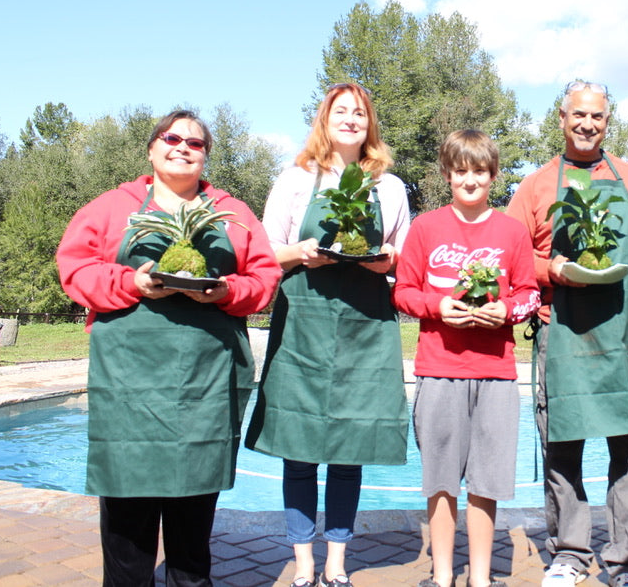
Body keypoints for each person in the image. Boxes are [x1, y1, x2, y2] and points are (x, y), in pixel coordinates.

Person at [56, 110, 281, 587]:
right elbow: (74, 270)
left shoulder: (234, 213)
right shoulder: (110, 208)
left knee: (192, 529)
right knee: (126, 529)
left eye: (195, 143)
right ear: (152, 149)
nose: (182, 147)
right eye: (172, 138)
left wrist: (225, 292)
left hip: (205, 384)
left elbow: (264, 279)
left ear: (206, 157)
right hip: (130, 387)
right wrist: (132, 280)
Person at [245, 83, 410, 587]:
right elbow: (265, 250)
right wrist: (303, 252)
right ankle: (304, 561)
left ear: (370, 125)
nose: (351, 120)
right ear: (325, 119)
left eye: (359, 113)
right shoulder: (296, 179)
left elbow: (401, 252)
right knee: (298, 446)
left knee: (348, 446)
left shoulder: (391, 186)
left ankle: (337, 560)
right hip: (304, 325)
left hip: (365, 325)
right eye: (341, 111)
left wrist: (386, 260)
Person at [506, 81, 628, 587]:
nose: (588, 124)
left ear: (607, 122)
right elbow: (511, 253)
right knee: (562, 447)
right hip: (562, 334)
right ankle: (569, 552)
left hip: (625, 338)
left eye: (598, 117)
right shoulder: (536, 186)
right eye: (579, 115)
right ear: (562, 117)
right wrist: (554, 270)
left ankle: (625, 560)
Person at [393, 129, 540, 587]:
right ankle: (441, 577)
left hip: (496, 373)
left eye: (479, 170)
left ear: (493, 174)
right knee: (439, 480)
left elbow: (529, 294)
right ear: (447, 174)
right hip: (439, 371)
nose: (470, 179)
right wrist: (437, 306)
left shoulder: (512, 232)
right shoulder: (426, 227)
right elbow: (403, 291)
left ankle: (479, 577)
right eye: (461, 171)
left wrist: (505, 311)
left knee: (486, 481)